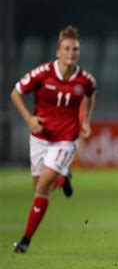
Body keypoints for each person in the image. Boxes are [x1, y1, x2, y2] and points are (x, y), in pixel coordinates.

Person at [11, 25, 96, 253]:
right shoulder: (43, 73)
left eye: (75, 49)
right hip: (39, 137)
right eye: (67, 48)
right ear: (58, 51)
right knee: (39, 187)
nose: (71, 53)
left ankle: (25, 241)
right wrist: (29, 119)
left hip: (66, 139)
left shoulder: (85, 79)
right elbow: (16, 92)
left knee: (41, 187)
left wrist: (85, 121)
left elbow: (90, 94)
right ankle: (63, 177)